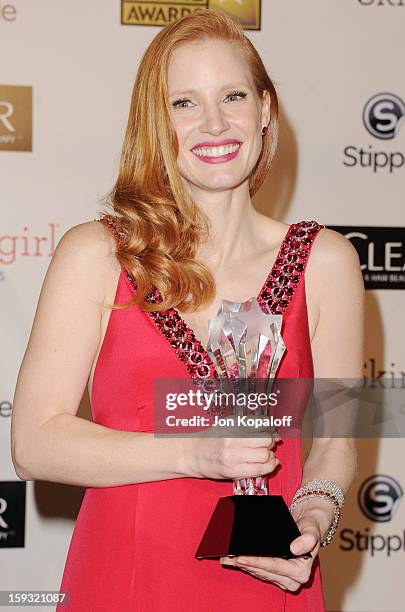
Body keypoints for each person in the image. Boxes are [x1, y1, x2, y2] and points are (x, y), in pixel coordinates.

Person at [11, 8, 364, 611]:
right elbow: (34, 443)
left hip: (267, 583)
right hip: (124, 576)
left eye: (232, 95)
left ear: (265, 111)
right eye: (184, 103)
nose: (215, 123)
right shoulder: (99, 253)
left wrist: (317, 508)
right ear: (155, 121)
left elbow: (338, 438)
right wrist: (194, 451)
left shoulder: (325, 261)